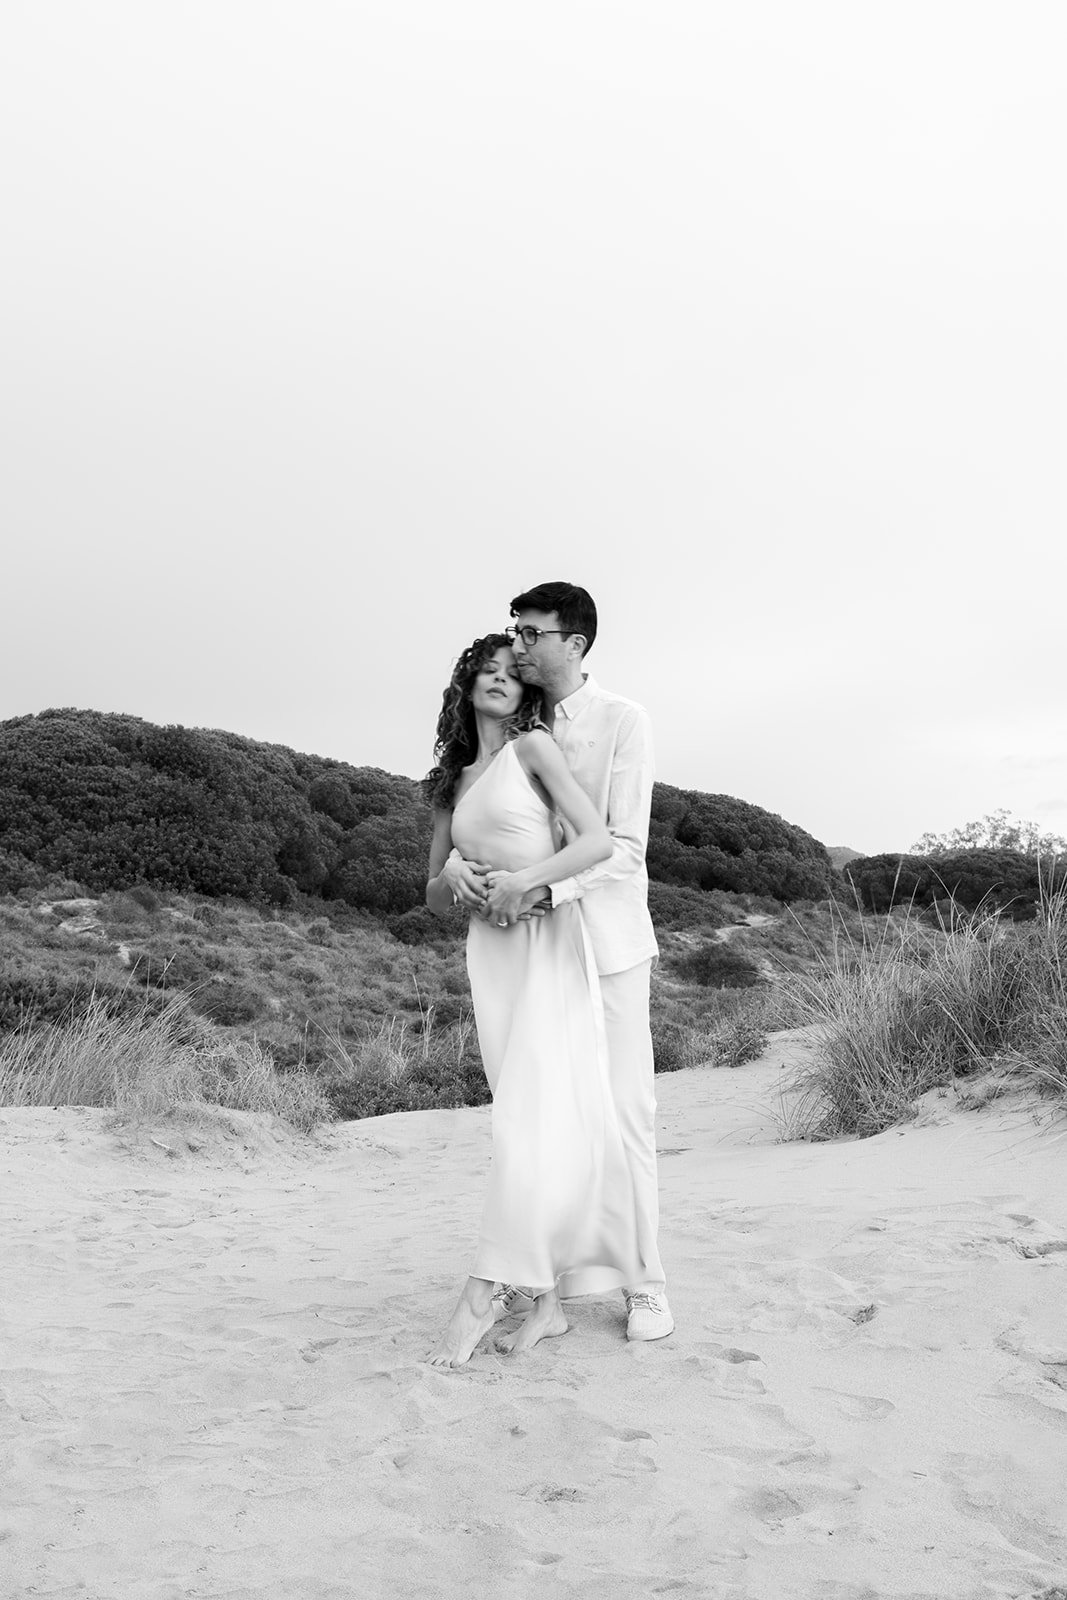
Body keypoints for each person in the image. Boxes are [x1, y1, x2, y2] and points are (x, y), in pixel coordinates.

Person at [444, 582, 673, 1343]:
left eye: (532, 632)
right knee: (547, 1117)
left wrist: (541, 889)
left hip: (602, 945)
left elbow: (626, 846)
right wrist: (457, 872)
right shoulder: (521, 729)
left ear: (572, 642)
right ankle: (553, 1279)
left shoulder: (621, 721)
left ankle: (645, 1286)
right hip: (532, 954)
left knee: (622, 1113)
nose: (519, 642)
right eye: (515, 630)